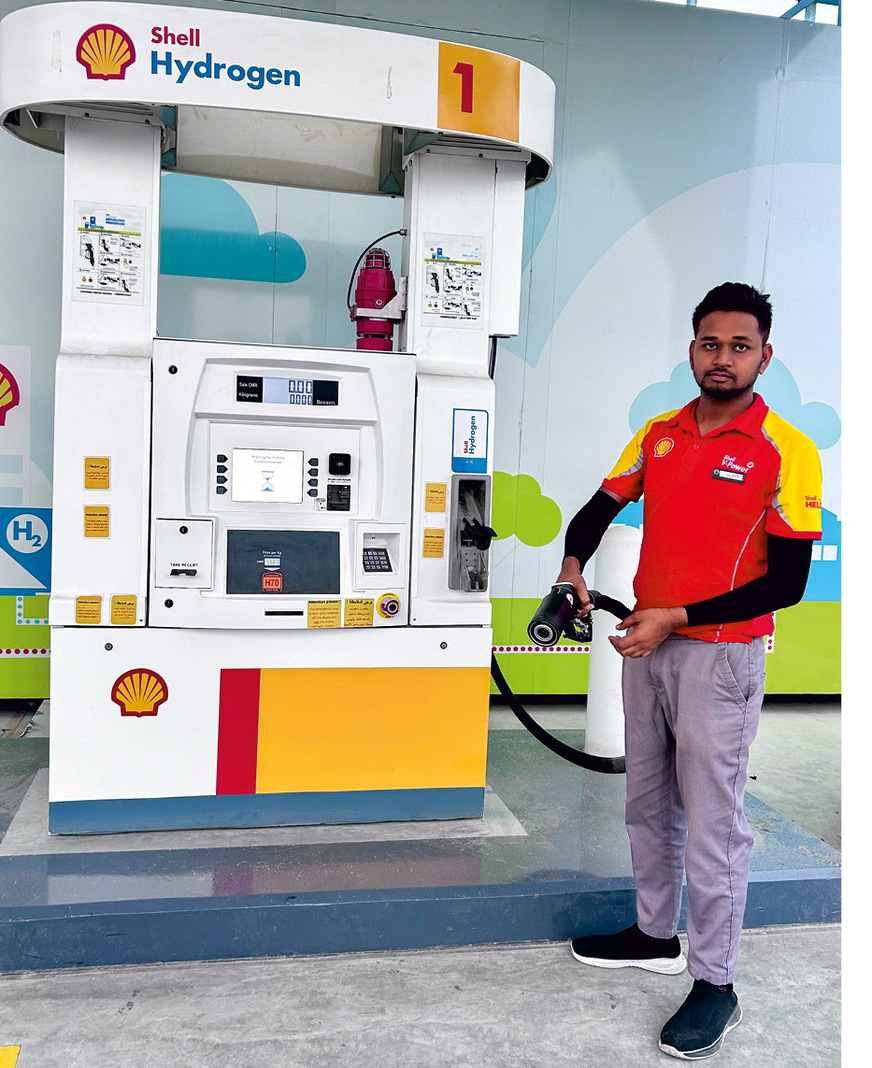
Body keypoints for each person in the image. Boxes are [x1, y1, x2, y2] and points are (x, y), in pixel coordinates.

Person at [557, 282, 822, 1060]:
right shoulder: (659, 434)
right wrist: (574, 563)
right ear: (691, 349)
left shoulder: (783, 448)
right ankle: (652, 933)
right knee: (647, 802)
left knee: (713, 824)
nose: (723, 358)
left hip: (721, 658)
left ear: (764, 356)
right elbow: (598, 509)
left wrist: (677, 616)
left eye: (740, 346)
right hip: (650, 647)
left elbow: (788, 583)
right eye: (711, 343)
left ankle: (716, 981)